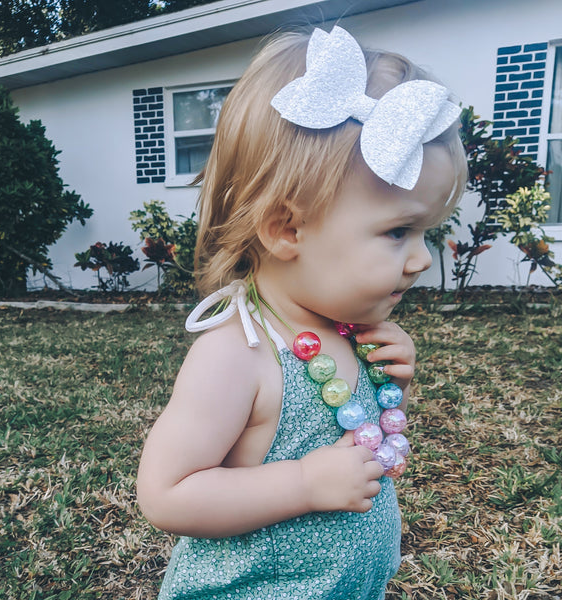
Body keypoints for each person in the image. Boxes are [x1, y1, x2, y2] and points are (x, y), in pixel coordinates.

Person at [137, 25, 467, 600]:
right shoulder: (237, 354)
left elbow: (365, 441)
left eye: (425, 234)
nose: (419, 259)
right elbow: (167, 493)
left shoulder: (355, 333)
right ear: (287, 228)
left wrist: (394, 386)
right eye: (397, 232)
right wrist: (303, 481)